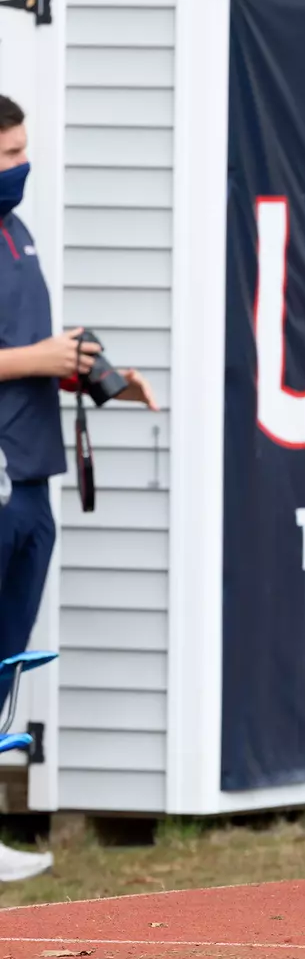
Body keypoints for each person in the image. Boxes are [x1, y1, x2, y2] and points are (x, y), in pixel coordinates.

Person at [0, 93, 157, 882]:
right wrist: (42, 357)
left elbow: (29, 348)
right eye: (5, 155)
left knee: (6, 658)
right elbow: (20, 355)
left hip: (30, 474)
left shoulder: (19, 234)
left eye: (23, 150)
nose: (19, 167)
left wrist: (94, 375)